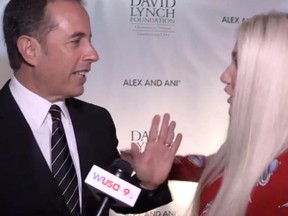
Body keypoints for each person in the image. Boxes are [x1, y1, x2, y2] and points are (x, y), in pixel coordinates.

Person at [0, 0, 182, 216]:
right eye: (76, 41)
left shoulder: (96, 122)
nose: (93, 54)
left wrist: (148, 184)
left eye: (90, 40)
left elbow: (111, 197)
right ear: (30, 49)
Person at [169, 12, 288, 216]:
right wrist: (166, 167)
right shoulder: (253, 148)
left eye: (239, 63)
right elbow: (216, 164)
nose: (225, 76)